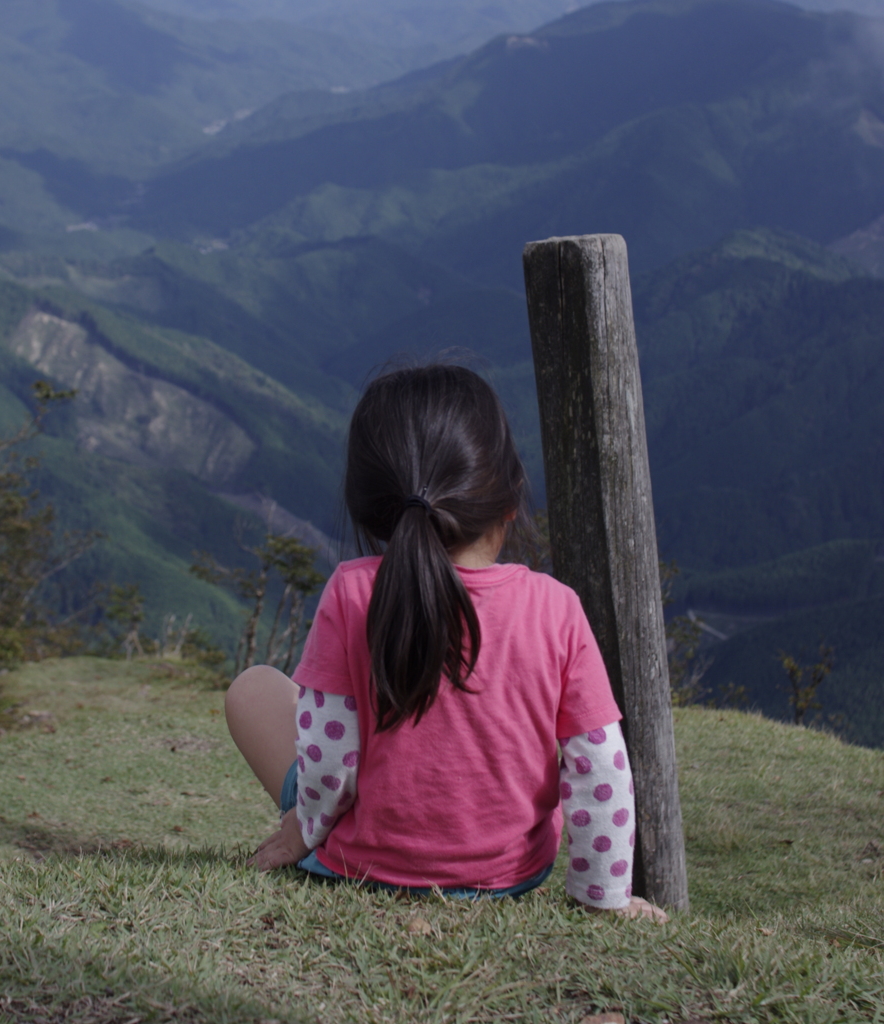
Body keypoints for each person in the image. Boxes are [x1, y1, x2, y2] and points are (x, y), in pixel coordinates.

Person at [224, 362, 667, 920]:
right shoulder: (556, 608)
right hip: (508, 875)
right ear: (509, 499)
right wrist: (605, 898)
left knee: (254, 688)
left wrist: (303, 830)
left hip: (365, 866)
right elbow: (600, 768)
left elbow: (330, 752)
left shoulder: (352, 592)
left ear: (374, 507)